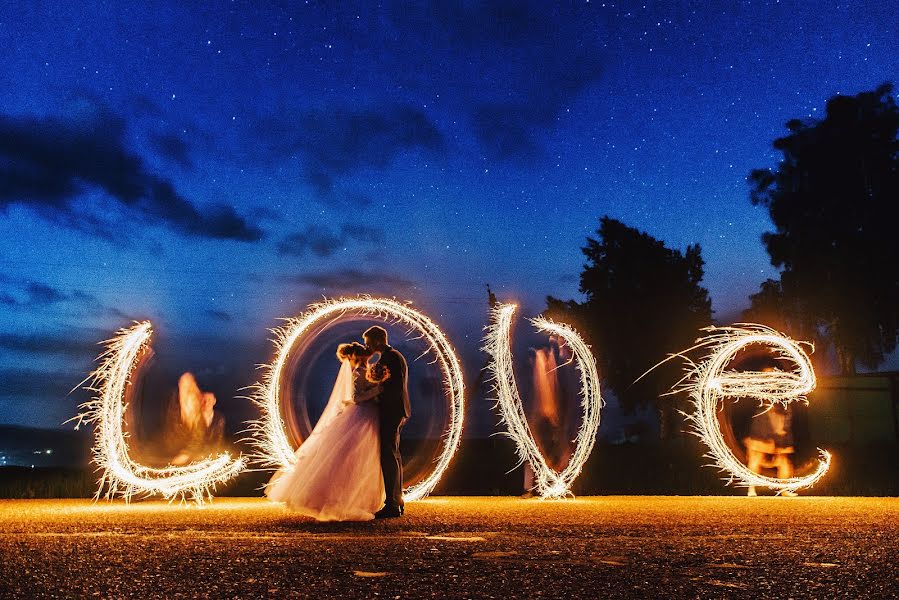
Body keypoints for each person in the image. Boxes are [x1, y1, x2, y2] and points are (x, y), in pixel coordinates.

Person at [265, 342, 386, 521]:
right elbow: (357, 397)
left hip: (366, 415)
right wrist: (378, 389)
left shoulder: (363, 371)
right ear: (356, 357)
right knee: (357, 457)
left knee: (359, 457)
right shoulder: (359, 373)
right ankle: (350, 499)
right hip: (362, 415)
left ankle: (358, 498)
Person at [364, 325, 410, 519]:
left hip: (392, 411)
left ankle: (392, 503)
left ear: (377, 341)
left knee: (388, 455)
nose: (367, 347)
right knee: (394, 454)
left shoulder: (390, 358)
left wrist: (375, 396)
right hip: (397, 410)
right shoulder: (393, 356)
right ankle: (397, 500)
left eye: (368, 343)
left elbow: (393, 387)